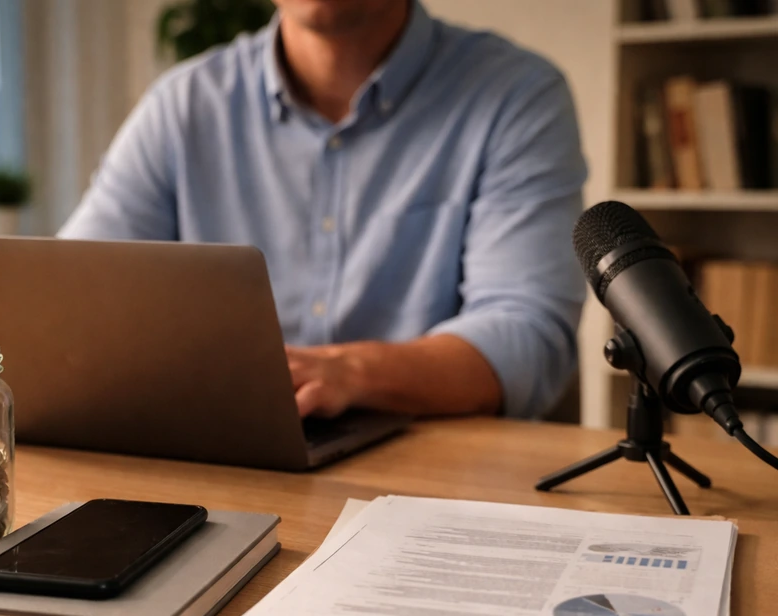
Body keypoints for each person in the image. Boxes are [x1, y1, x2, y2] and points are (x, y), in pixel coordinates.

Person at [59, 0, 587, 421]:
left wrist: (351, 372)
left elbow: (527, 337)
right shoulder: (183, 106)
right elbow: (67, 300)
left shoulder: (517, 96)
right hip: (227, 467)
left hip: (437, 478)